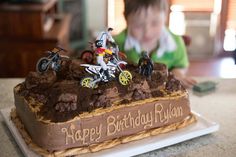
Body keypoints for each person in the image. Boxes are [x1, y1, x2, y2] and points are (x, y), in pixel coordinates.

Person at [114, 0, 197, 88]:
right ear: (126, 19)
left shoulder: (176, 42)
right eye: (138, 25)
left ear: (165, 15)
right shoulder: (117, 43)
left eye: (155, 23)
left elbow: (181, 65)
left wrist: (178, 74)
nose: (147, 33)